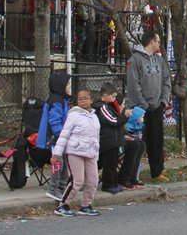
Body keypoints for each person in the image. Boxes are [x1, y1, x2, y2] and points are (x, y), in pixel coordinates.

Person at [126, 30, 172, 182]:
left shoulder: (159, 61)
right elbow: (133, 85)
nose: (159, 44)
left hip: (157, 106)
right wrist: (143, 105)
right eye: (158, 41)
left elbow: (166, 80)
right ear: (152, 42)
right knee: (138, 141)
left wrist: (163, 101)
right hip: (140, 109)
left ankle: (157, 171)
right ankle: (131, 174)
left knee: (156, 141)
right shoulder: (135, 60)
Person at [51, 89, 101, 217]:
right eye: (80, 99)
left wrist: (96, 152)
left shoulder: (94, 116)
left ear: (91, 100)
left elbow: (96, 136)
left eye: (85, 98)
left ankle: (86, 205)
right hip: (75, 151)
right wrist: (56, 154)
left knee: (93, 180)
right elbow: (64, 134)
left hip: (91, 153)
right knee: (77, 181)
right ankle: (62, 205)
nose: (83, 101)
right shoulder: (73, 115)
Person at [41, 71, 71, 201]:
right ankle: (54, 189)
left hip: (60, 138)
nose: (69, 87)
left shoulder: (61, 100)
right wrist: (60, 135)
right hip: (56, 139)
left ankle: (61, 188)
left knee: (64, 165)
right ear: (60, 86)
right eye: (67, 84)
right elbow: (54, 121)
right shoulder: (57, 101)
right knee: (58, 164)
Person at [95, 82, 126, 194]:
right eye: (112, 97)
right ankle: (107, 184)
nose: (114, 99)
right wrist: (124, 116)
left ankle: (113, 182)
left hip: (114, 140)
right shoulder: (102, 107)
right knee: (109, 164)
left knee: (113, 163)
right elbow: (113, 121)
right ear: (105, 96)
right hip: (107, 141)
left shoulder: (110, 107)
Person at [119, 105, 146, 189]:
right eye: (141, 117)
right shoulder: (127, 124)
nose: (143, 119)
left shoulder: (138, 125)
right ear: (136, 117)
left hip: (129, 141)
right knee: (136, 145)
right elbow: (126, 133)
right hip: (121, 143)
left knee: (141, 144)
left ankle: (133, 177)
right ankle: (125, 178)